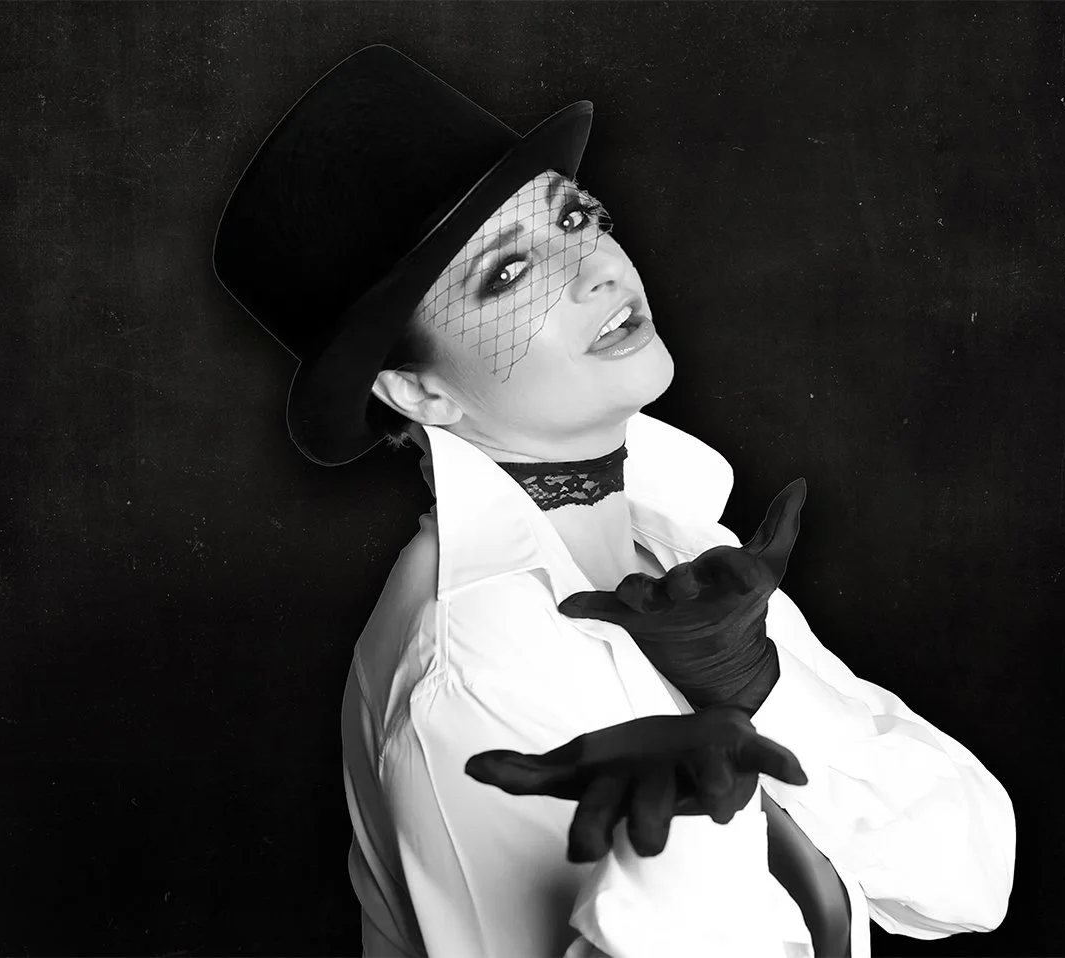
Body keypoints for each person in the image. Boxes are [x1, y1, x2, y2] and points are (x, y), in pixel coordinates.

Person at [212, 45, 1016, 958]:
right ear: (420, 395)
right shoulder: (471, 670)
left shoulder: (677, 543)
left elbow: (969, 883)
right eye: (509, 277)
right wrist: (680, 853)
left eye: (575, 217)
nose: (595, 271)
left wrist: (766, 692)